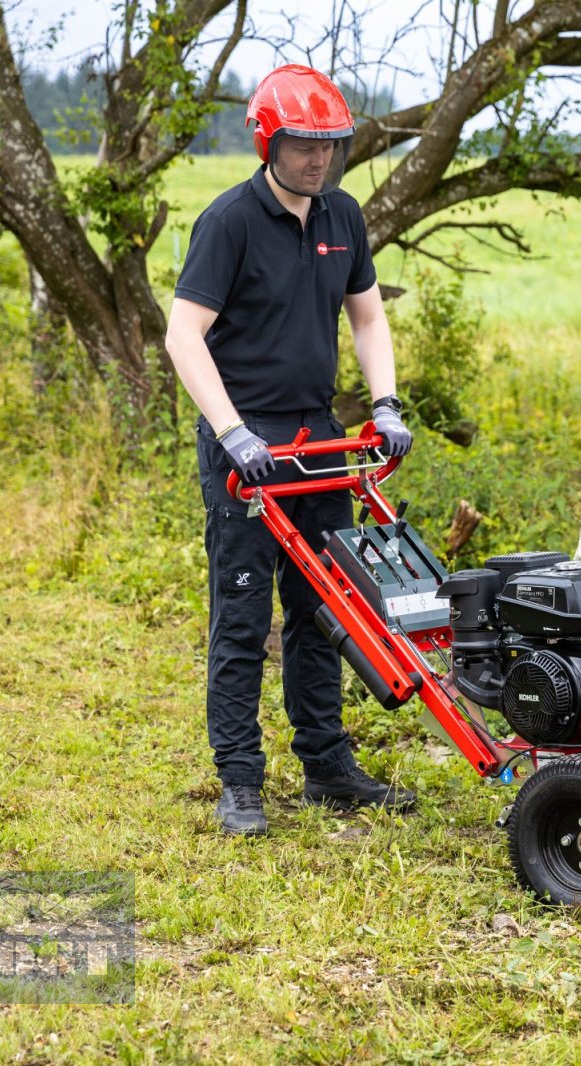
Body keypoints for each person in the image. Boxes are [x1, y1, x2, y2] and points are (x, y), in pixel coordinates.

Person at [166, 64, 417, 836]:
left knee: (323, 611)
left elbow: (367, 318)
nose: (319, 160)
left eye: (330, 147)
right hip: (247, 448)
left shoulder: (342, 216)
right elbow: (183, 335)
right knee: (243, 616)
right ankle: (240, 781)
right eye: (304, 146)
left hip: (319, 441)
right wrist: (232, 430)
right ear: (269, 142)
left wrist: (384, 404)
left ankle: (327, 766)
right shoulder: (230, 222)